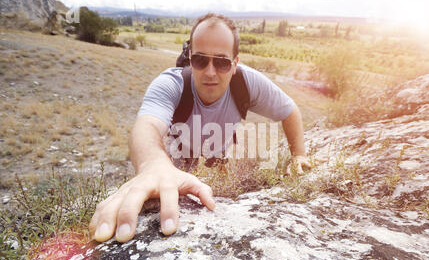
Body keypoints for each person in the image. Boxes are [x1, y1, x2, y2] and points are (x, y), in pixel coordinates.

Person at [89, 13, 312, 244]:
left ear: (235, 64)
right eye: (200, 60)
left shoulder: (247, 83)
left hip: (219, 158)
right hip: (179, 160)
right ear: (189, 57)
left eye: (222, 62)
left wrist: (299, 154)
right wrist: (153, 165)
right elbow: (146, 127)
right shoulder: (171, 84)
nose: (211, 72)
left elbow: (289, 110)